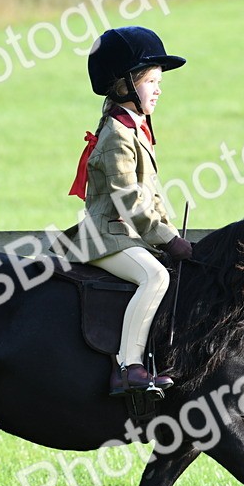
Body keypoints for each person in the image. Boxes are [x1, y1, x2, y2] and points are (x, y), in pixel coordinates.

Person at [51, 26, 194, 397]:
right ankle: (127, 368)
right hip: (106, 236)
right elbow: (129, 201)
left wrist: (171, 233)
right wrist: (166, 240)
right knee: (155, 278)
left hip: (125, 234)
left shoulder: (137, 131)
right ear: (123, 86)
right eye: (150, 81)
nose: (159, 89)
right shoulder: (116, 134)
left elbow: (154, 197)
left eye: (158, 81)